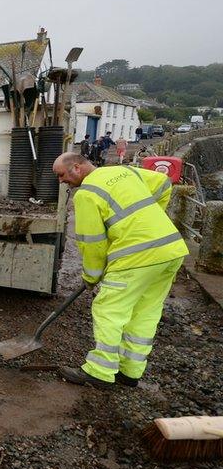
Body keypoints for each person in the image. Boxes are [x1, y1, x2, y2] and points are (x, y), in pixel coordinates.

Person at [51, 152, 187, 389]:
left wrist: (91, 277)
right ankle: (129, 371)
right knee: (145, 313)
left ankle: (100, 372)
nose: (60, 181)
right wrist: (150, 219)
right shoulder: (124, 171)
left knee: (108, 309)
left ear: (77, 167)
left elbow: (92, 242)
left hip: (136, 256)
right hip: (170, 250)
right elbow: (164, 183)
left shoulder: (87, 194)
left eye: (61, 175)